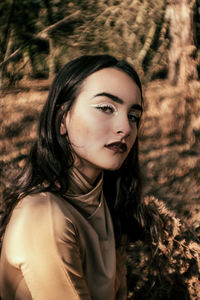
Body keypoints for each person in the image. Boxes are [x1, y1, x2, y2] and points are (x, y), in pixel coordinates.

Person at [0, 54, 159, 300]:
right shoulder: (45, 216)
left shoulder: (107, 202)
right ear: (61, 118)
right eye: (106, 108)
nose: (126, 128)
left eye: (133, 116)